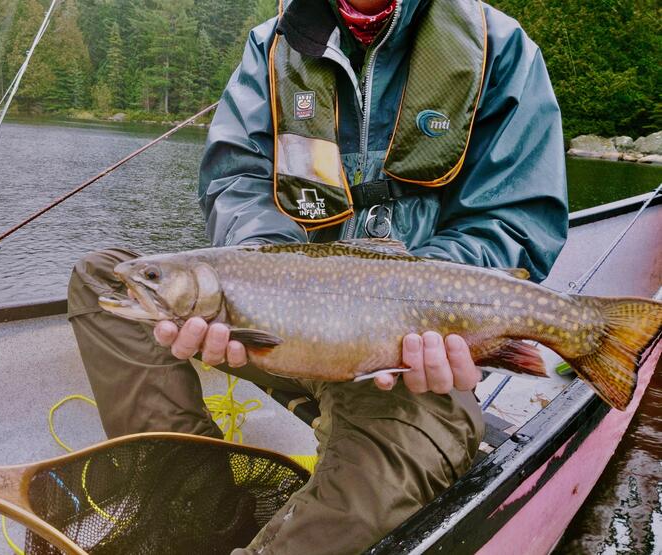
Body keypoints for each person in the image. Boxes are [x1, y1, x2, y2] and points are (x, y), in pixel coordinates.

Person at [67, 0, 567, 552]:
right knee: (101, 278)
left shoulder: (502, 48)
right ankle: (195, 498)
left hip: (411, 357)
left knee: (369, 492)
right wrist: (260, 272)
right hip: (276, 330)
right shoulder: (273, 44)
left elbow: (515, 218)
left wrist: (440, 307)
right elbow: (238, 181)